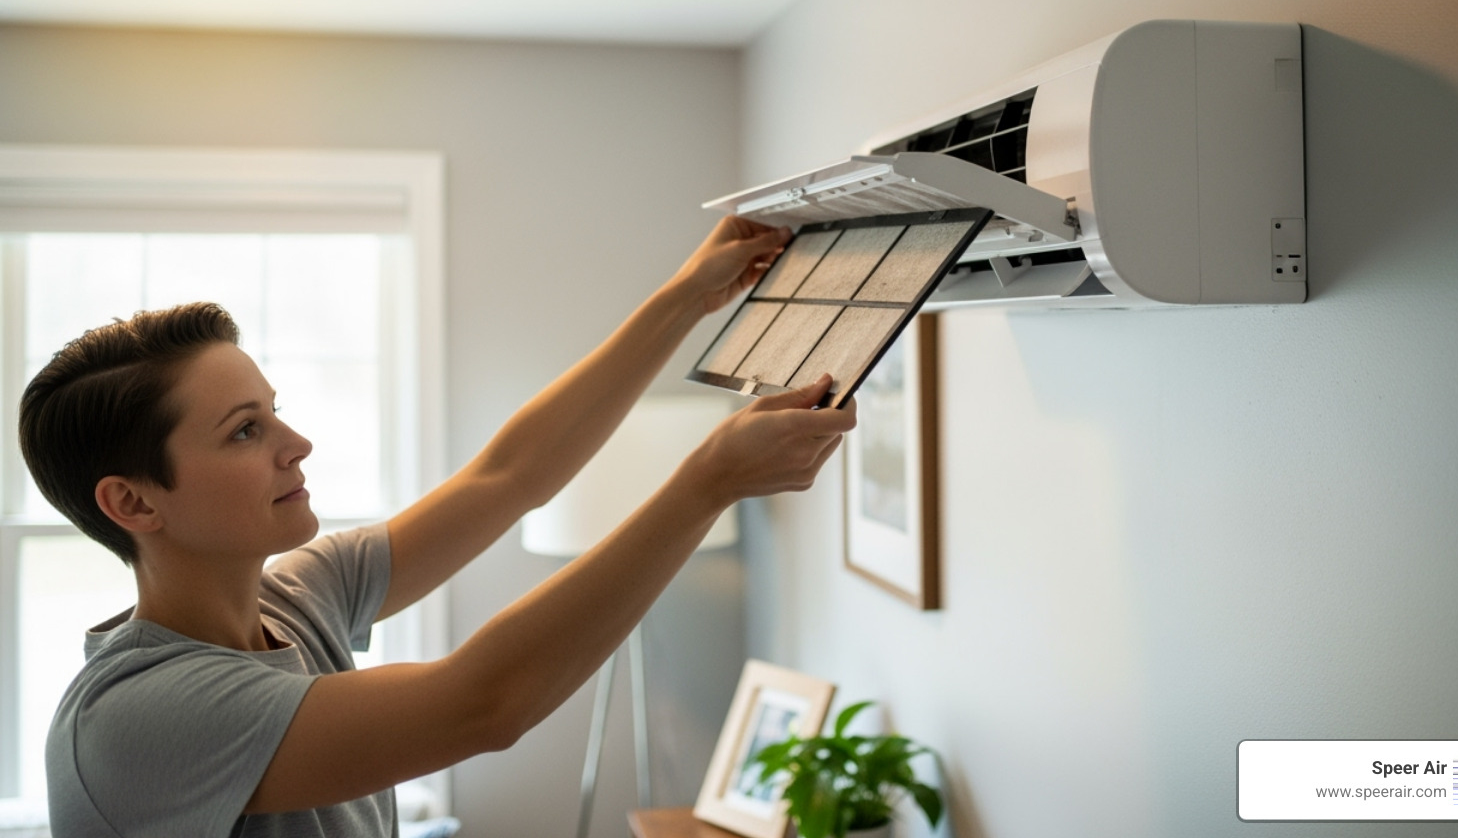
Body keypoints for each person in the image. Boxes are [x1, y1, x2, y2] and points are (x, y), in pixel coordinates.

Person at [19, 216, 856, 838]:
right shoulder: (135, 717)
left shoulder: (298, 599)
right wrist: (706, 483)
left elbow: (511, 475)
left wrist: (685, 301)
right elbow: (483, 704)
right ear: (133, 504)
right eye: (245, 430)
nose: (295, 444)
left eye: (276, 414)